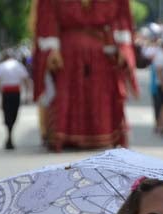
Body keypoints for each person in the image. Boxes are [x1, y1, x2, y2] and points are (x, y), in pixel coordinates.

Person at [33, 0, 136, 151]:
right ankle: (63, 136)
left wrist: (122, 47)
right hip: (67, 55)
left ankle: (106, 135)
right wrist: (51, 49)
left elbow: (122, 17)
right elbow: (47, 17)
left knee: (102, 94)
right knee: (66, 93)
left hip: (103, 54)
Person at [0, 51, 30, 149]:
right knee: (13, 113)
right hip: (14, 93)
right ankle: (10, 135)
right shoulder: (19, 66)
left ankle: (9, 134)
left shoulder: (1, 66)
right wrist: (28, 94)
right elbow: (26, 79)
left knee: (7, 113)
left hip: (7, 93)